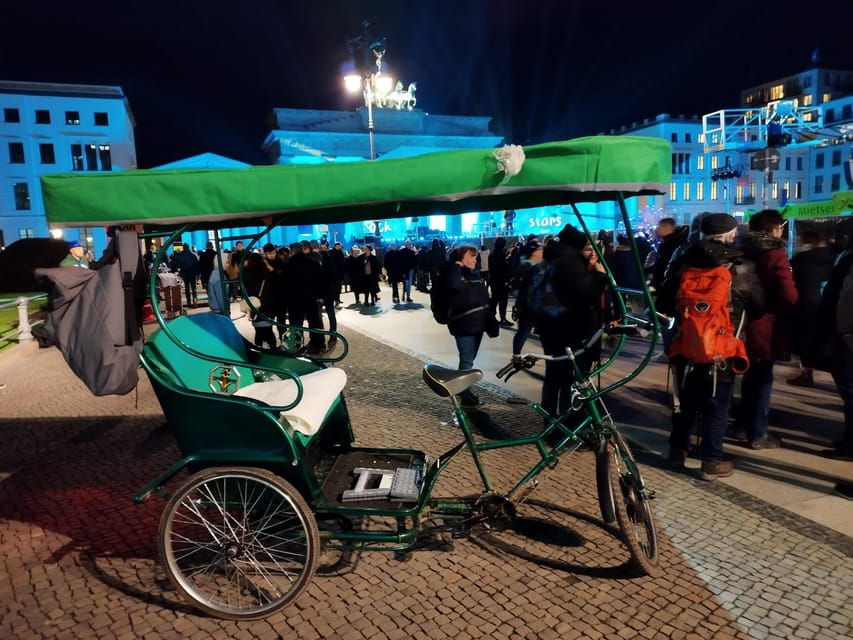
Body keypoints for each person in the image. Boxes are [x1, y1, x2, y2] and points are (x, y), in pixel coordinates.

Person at [658, 213, 764, 480]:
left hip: (685, 346)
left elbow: (663, 303)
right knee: (717, 407)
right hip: (722, 349)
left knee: (684, 404)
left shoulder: (682, 261)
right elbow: (759, 306)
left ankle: (677, 451)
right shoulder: (741, 267)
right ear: (730, 234)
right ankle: (711, 462)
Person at [732, 210, 798, 449]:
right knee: (761, 379)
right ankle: (758, 433)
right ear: (774, 229)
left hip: (741, 322)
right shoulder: (775, 254)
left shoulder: (742, 250)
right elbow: (788, 295)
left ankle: (742, 426)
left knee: (748, 377)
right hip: (765, 324)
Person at [538, 225, 609, 424]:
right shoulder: (571, 262)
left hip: (552, 326)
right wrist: (600, 276)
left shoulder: (554, 258)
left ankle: (550, 422)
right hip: (569, 329)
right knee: (570, 379)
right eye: (587, 247)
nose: (591, 252)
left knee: (554, 376)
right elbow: (587, 292)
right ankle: (568, 423)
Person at [809, 218, 853, 467]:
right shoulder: (844, 257)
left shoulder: (848, 259)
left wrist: (845, 333)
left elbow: (846, 300)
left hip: (846, 335)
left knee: (851, 392)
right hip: (840, 333)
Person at [444, 245, 494, 407]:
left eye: (475, 257)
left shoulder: (475, 275)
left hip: (478, 324)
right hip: (463, 325)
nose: (475, 260)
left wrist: (490, 321)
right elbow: (452, 286)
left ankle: (462, 390)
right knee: (467, 361)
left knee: (469, 360)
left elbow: (484, 299)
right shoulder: (454, 273)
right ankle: (465, 395)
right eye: (471, 256)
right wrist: (457, 266)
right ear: (461, 258)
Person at [788, 231, 834, 387]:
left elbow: (791, 277)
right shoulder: (826, 258)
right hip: (818, 300)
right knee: (811, 338)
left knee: (803, 339)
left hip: (802, 302)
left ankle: (806, 373)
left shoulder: (802, 258)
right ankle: (808, 370)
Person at [511, 239, 544, 357]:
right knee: (523, 332)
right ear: (533, 252)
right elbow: (518, 288)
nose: (542, 251)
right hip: (529, 307)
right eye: (540, 249)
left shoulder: (537, 266)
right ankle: (516, 355)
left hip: (535, 306)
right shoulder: (527, 267)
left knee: (525, 332)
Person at [489, 237, 513, 326]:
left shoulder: (492, 254)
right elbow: (504, 269)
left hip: (494, 281)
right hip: (501, 281)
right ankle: (502, 318)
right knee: (503, 300)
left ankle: (492, 318)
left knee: (494, 300)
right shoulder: (501, 255)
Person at [330, 242, 347, 307]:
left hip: (339, 273)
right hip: (333, 273)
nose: (338, 247)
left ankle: (338, 299)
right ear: (335, 246)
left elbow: (343, 263)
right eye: (337, 246)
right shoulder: (331, 252)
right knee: (334, 288)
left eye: (339, 246)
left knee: (339, 287)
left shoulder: (341, 252)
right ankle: (335, 299)